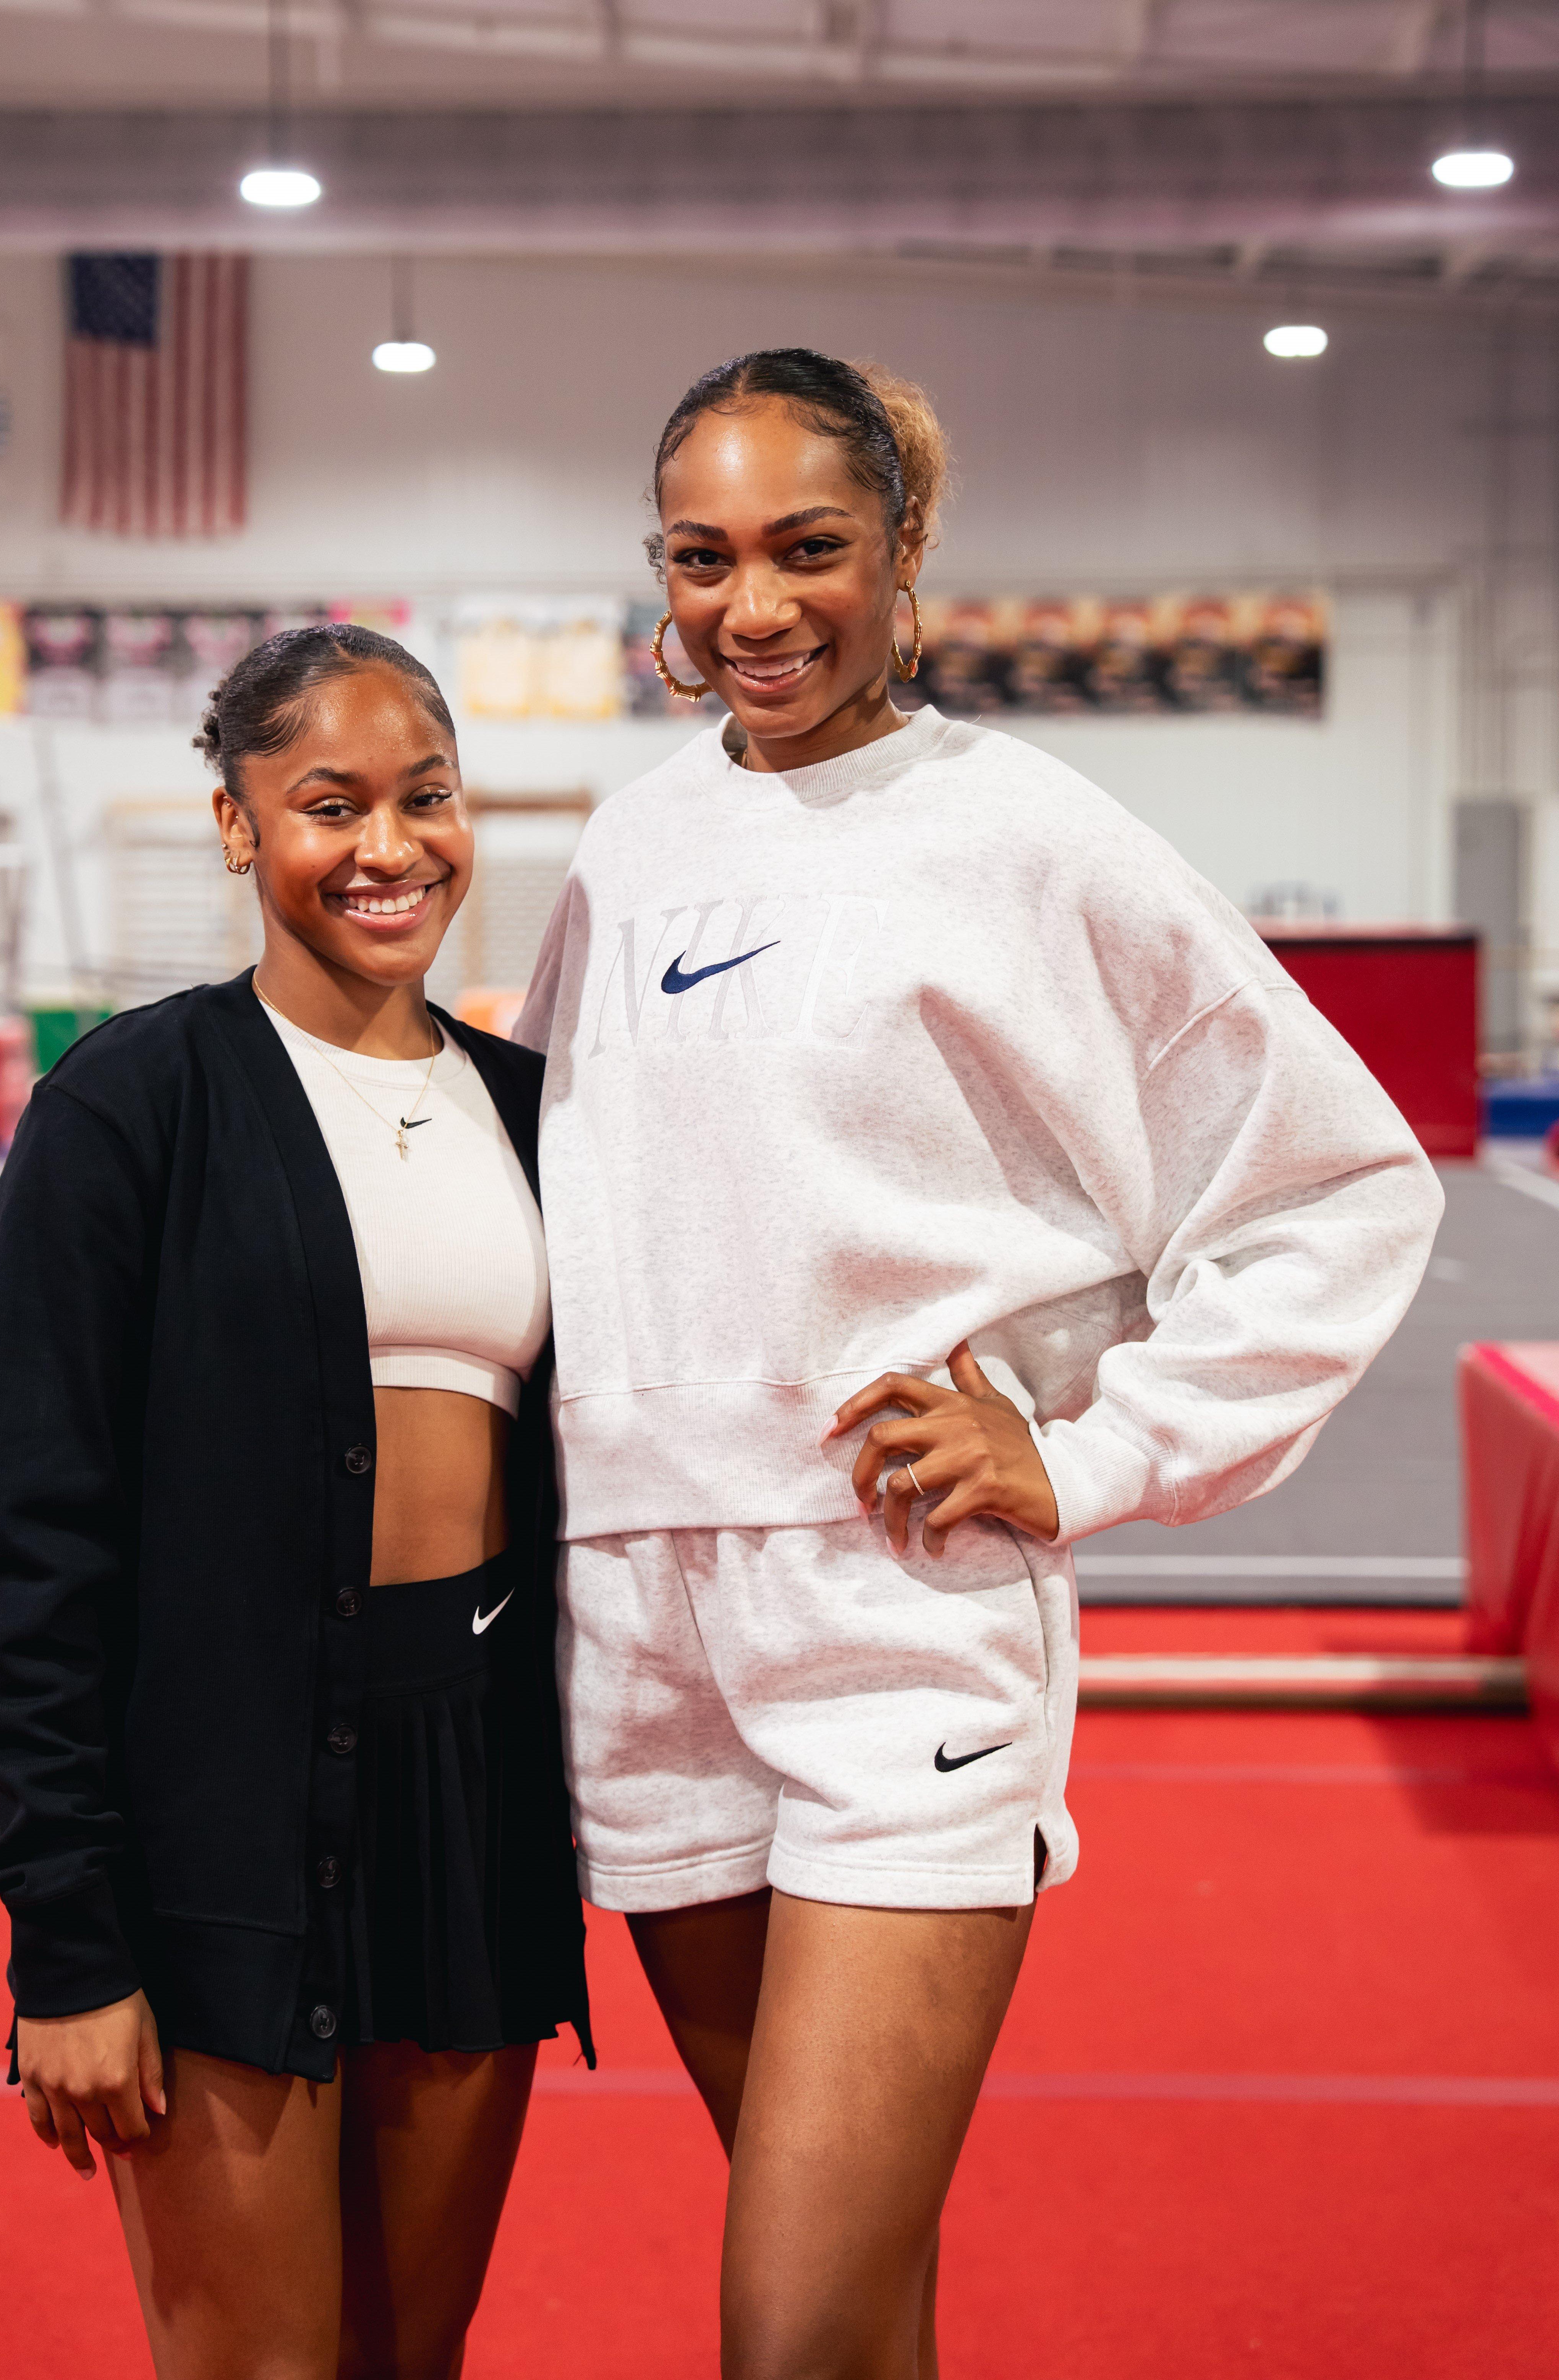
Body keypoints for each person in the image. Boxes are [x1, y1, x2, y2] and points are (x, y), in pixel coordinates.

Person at [515, 348, 1441, 2380]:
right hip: (642, 1635)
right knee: (853, 2308)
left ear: (910, 549)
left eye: (808, 549)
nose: (752, 608)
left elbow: (1342, 1181)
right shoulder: (630, 847)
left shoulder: (1025, 834)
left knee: (791, 2330)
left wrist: (1099, 1448)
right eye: (703, 558)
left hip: (893, 1619)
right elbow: (572, 1209)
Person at [0, 624, 591, 2380]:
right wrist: (66, 1940)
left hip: (470, 1800)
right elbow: (19, 1543)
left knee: (407, 2361)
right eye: (330, 803)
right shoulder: (129, 1109)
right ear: (236, 827)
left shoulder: (536, 1114)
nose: (391, 846)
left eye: (426, 797)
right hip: (219, 1808)